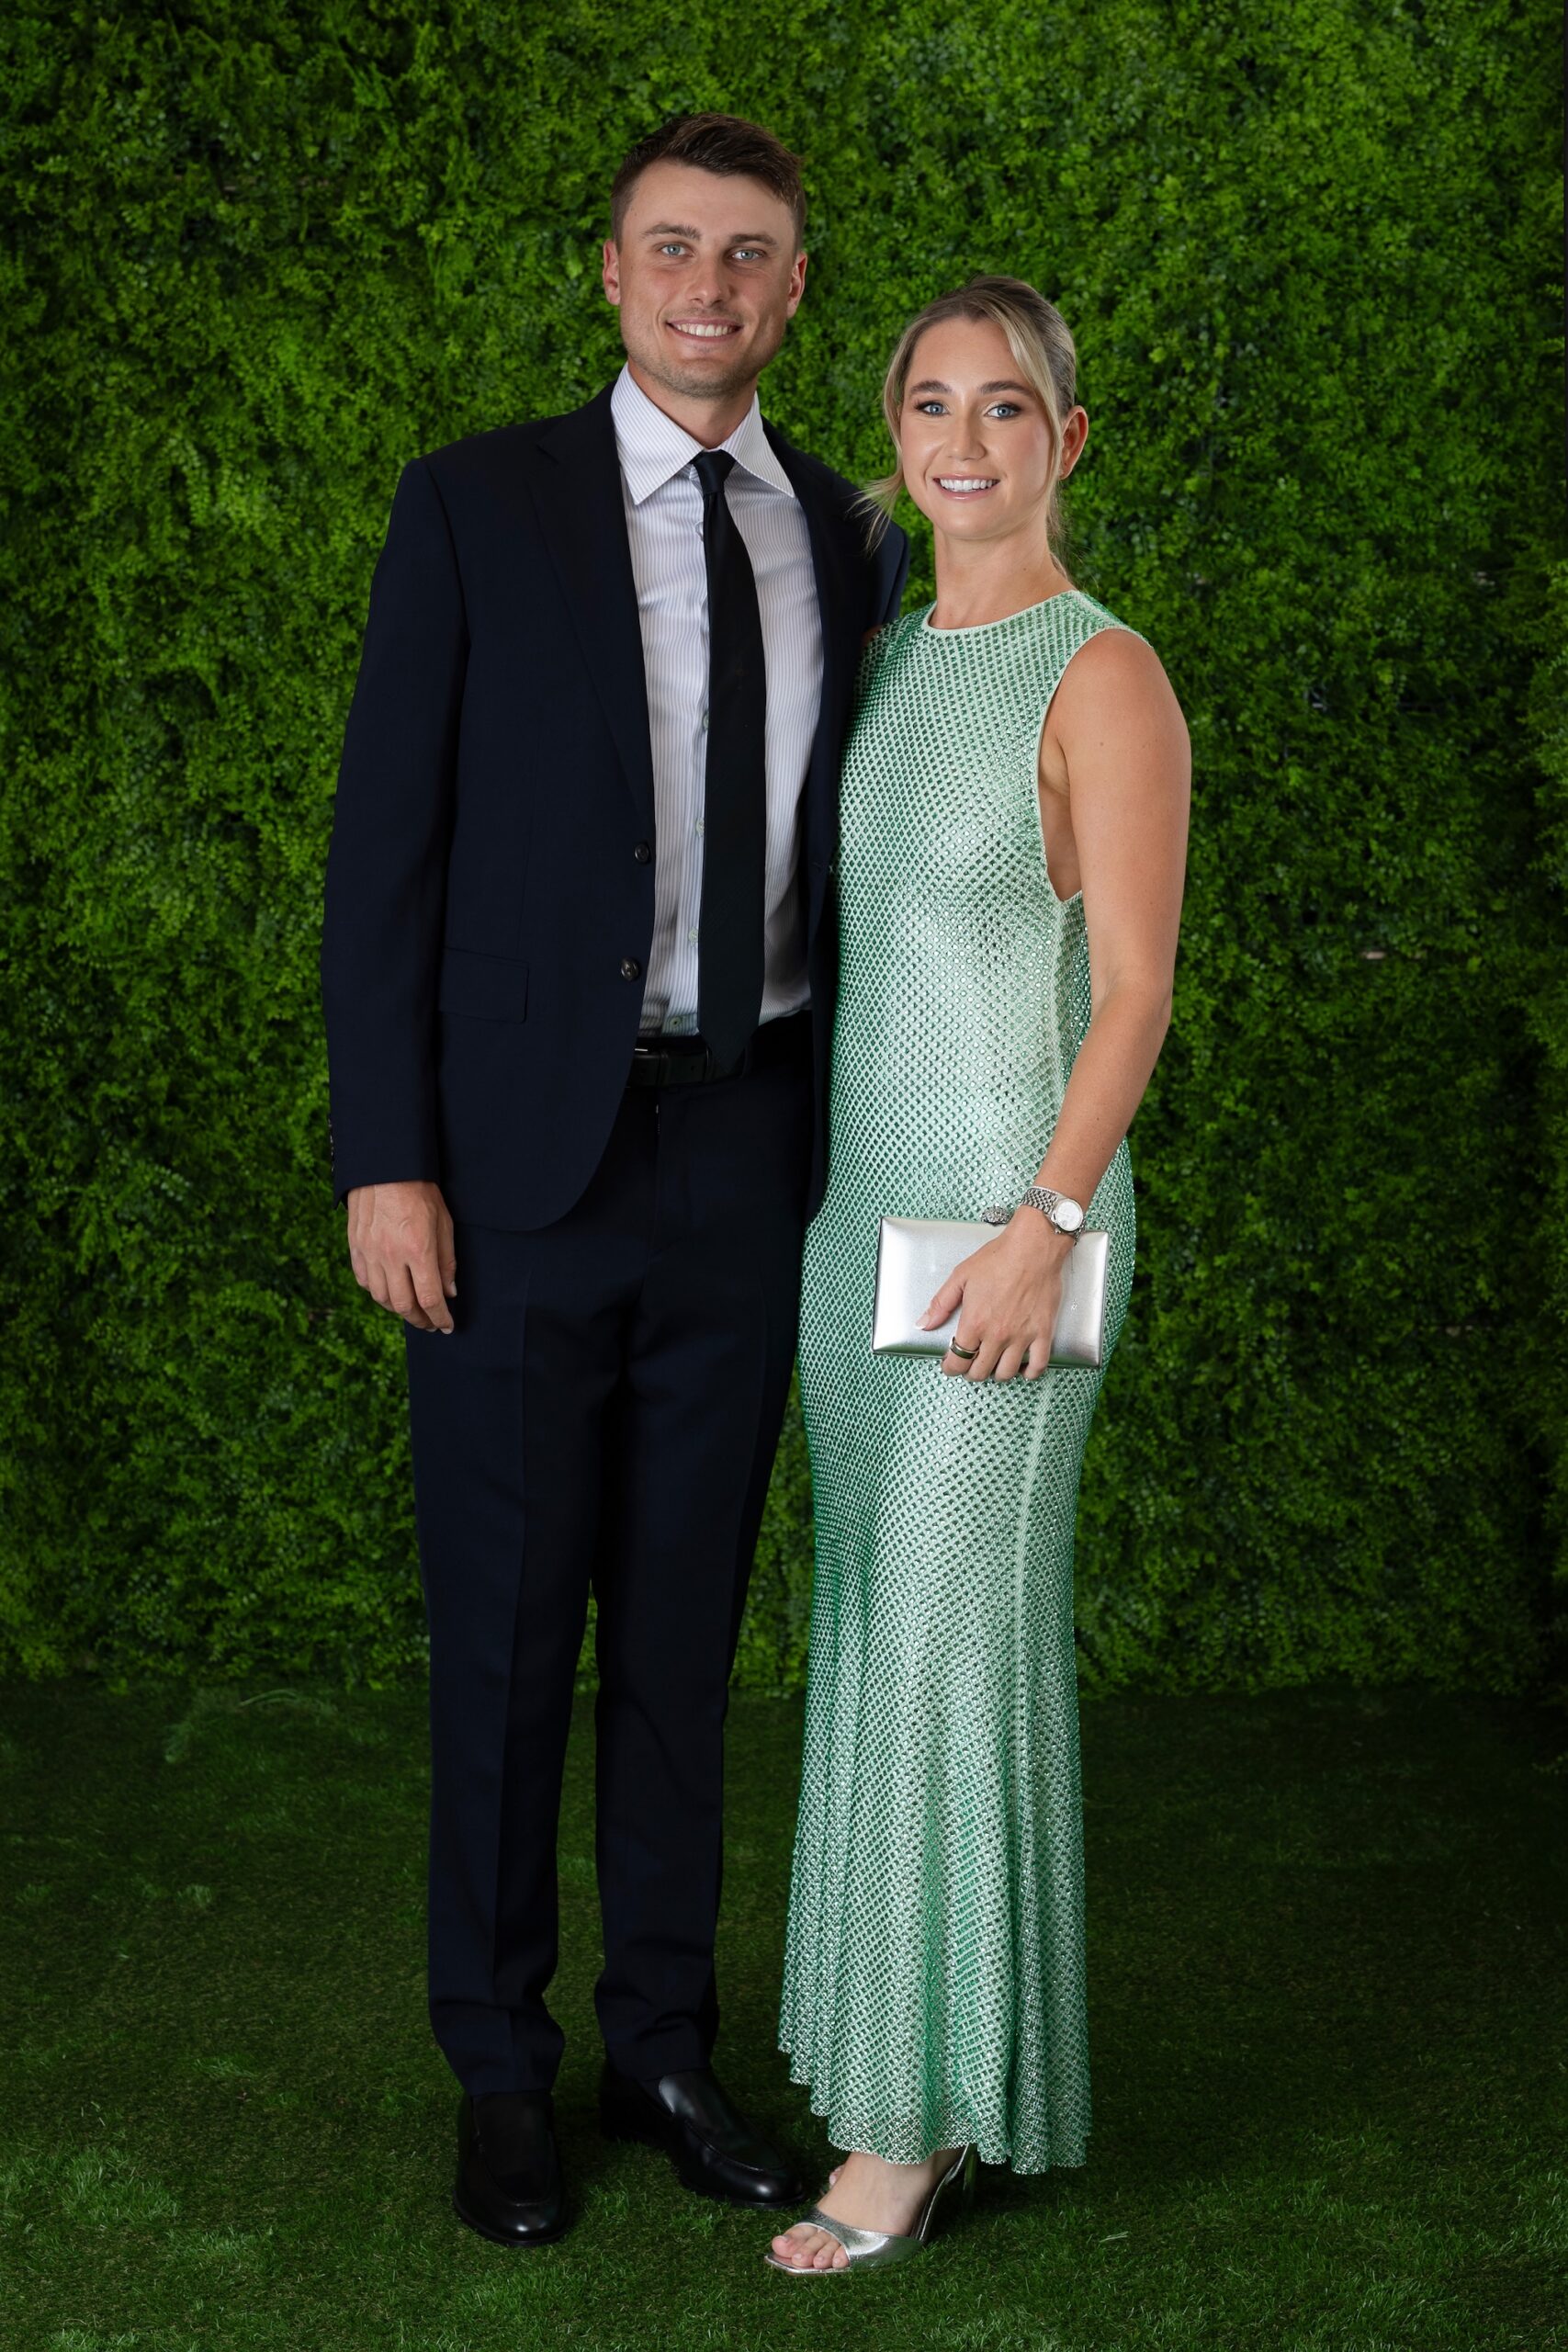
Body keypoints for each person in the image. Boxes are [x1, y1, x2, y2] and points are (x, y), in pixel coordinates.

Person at [319, 113, 908, 2248]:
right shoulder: (478, 503)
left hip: (746, 1153)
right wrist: (388, 1153)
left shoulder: (848, 537)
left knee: (681, 1630)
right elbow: (383, 851)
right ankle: (500, 2060)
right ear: (607, 270)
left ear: (791, 291)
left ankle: (664, 2042)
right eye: (671, 248)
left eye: (748, 257)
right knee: (500, 1639)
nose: (705, 288)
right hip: (515, 1167)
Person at [766, 277, 1190, 2274]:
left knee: (947, 1646)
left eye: (1003, 407)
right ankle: (900, 2062)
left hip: (1003, 1241)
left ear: (1065, 440)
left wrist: (1047, 1226)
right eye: (926, 403)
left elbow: (1131, 995)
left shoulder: (1100, 675)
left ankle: (914, 2125)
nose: (959, 439)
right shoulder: (873, 659)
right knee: (873, 1630)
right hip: (854, 1231)